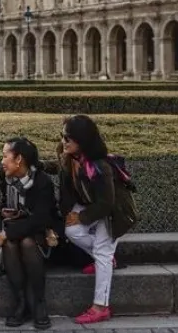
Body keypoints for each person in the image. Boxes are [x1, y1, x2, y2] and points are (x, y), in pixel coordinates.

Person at [59, 115, 138, 325]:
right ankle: (107, 261)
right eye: (62, 136)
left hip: (113, 213)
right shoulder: (70, 157)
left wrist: (82, 217)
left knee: (102, 251)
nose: (63, 141)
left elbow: (107, 204)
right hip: (91, 205)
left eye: (68, 138)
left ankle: (100, 307)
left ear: (82, 140)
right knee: (72, 231)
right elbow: (61, 169)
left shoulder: (99, 167)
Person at [0, 137, 59, 329]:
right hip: (14, 227)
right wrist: (6, 218)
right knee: (11, 243)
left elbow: (41, 219)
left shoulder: (41, 182)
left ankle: (39, 302)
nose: (2, 161)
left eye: (5, 156)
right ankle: (20, 302)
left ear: (19, 159)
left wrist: (9, 232)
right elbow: (3, 206)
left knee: (27, 243)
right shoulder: (5, 177)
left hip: (40, 233)